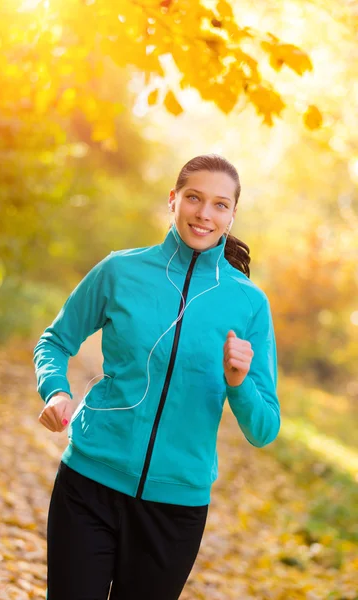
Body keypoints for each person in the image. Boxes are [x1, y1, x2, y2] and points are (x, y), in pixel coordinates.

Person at [34, 153, 281, 600]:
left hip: (175, 510)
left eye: (220, 204)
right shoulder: (120, 271)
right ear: (173, 200)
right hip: (89, 484)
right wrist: (55, 390)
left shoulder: (249, 304)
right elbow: (55, 340)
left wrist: (238, 382)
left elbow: (265, 429)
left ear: (232, 214)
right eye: (194, 198)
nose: (205, 213)